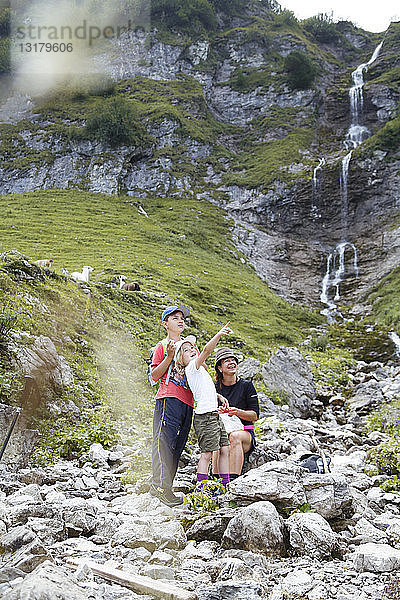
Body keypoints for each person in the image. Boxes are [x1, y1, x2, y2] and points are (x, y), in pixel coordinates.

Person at [150, 305, 198, 507]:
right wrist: (169, 357)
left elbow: (199, 373)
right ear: (165, 324)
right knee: (163, 442)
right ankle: (160, 486)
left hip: (188, 401)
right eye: (175, 318)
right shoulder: (162, 346)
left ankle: (166, 486)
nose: (180, 321)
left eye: (182, 318)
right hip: (168, 397)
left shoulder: (190, 347)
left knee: (177, 446)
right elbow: (153, 376)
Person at [174, 323, 233, 489]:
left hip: (213, 415)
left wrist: (218, 396)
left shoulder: (199, 371)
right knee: (207, 453)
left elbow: (204, 389)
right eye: (186, 350)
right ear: (180, 359)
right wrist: (219, 334)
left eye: (192, 347)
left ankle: (225, 483)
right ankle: (201, 488)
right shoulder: (192, 367)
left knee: (224, 449)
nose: (192, 350)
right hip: (205, 417)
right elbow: (207, 350)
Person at [213, 347, 259, 481]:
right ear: (220, 368)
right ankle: (216, 481)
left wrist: (237, 412)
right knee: (219, 437)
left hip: (244, 434)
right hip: (222, 432)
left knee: (233, 436)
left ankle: (233, 481)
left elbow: (255, 415)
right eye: (227, 360)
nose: (232, 362)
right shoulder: (214, 388)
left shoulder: (246, 386)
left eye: (233, 360)